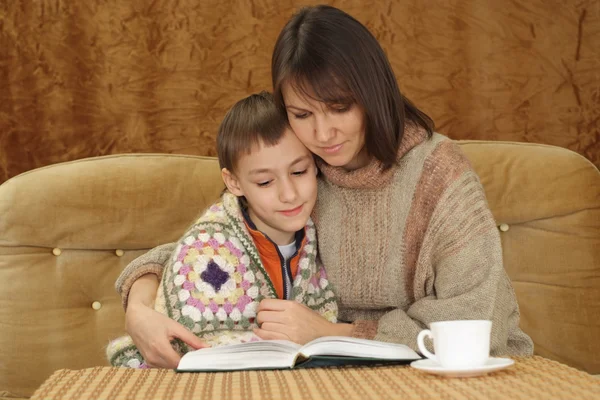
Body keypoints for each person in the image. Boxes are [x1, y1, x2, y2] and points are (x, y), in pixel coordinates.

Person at [117, 5, 534, 368]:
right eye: (301, 113)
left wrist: (334, 332)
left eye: (340, 107)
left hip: (450, 371)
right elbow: (215, 242)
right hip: (327, 372)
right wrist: (139, 310)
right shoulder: (300, 167)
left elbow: (482, 323)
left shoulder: (439, 175)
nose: (322, 133)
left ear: (372, 93)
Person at [107, 91, 337, 368]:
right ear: (234, 183)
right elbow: (200, 343)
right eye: (265, 182)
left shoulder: (324, 225)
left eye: (299, 171)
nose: (289, 194)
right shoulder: (207, 247)